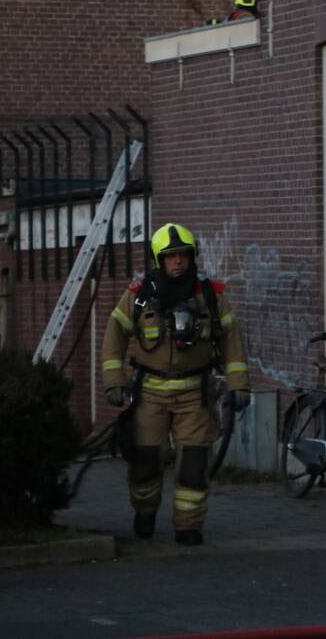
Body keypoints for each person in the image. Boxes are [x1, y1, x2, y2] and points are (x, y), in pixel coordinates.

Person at [101, 223, 250, 546]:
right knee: (145, 463)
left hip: (195, 394)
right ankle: (144, 512)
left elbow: (232, 343)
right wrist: (114, 381)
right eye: (170, 257)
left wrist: (240, 385)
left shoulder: (210, 295)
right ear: (159, 260)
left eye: (182, 255)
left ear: (192, 256)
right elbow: (114, 335)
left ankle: (189, 526)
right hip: (150, 393)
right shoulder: (140, 295)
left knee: (194, 466)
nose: (178, 262)